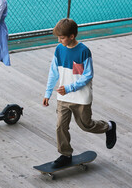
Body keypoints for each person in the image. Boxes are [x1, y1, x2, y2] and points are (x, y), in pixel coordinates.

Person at [43, 18, 117, 168]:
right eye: (58, 37)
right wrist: (47, 92)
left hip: (81, 98)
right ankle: (65, 154)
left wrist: (69, 88)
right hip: (63, 97)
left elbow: (88, 75)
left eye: (62, 37)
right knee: (60, 126)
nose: (59, 40)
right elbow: (53, 72)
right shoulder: (59, 49)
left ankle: (109, 126)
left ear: (72, 36)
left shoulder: (84, 51)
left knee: (86, 125)